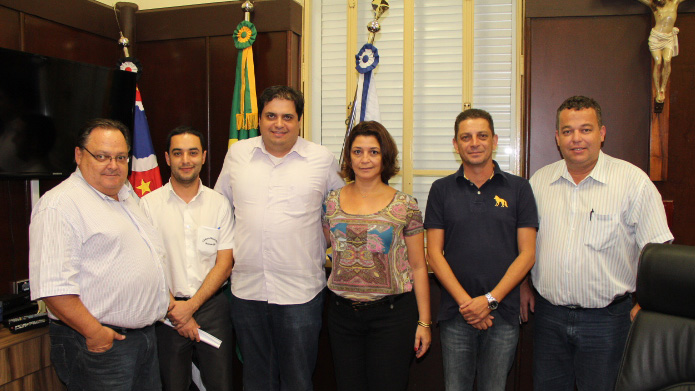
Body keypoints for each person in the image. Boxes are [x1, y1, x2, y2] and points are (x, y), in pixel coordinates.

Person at [522, 96, 673, 391]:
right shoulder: (539, 182)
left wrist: (648, 303)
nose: (576, 139)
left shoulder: (634, 183)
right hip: (549, 317)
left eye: (586, 129)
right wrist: (523, 285)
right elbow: (524, 244)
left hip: (608, 322)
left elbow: (659, 254)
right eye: (567, 131)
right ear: (557, 138)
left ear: (602, 133)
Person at [214, 85, 344, 390]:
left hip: (300, 293)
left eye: (287, 116)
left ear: (299, 120)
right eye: (271, 115)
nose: (279, 123)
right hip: (247, 290)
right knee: (256, 378)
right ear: (259, 119)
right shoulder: (237, 155)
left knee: (298, 380)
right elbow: (219, 209)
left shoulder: (321, 159)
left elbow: (340, 211)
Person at [29, 118, 169, 391]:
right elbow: (53, 287)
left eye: (120, 157)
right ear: (79, 155)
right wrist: (95, 334)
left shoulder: (126, 195)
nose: (113, 165)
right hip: (99, 344)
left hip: (144, 339)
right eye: (102, 156)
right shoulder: (60, 205)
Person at [424, 109, 538, 391]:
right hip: (456, 313)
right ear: (455, 144)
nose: (474, 143)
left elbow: (527, 254)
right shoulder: (441, 190)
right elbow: (433, 255)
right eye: (466, 137)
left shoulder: (519, 188)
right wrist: (468, 304)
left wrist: (488, 301)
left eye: (482, 135)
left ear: (495, 140)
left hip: (504, 312)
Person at [322, 121, 432, 391]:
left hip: (392, 317)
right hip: (342, 315)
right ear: (348, 156)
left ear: (385, 156)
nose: (365, 159)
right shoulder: (331, 202)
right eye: (357, 152)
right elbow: (329, 244)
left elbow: (418, 266)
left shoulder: (406, 205)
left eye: (373, 152)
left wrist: (425, 322)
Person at [140, 126, 235, 391]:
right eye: (178, 153)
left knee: (221, 384)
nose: (186, 160)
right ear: (167, 158)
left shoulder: (219, 204)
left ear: (203, 156)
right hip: (166, 311)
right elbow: (149, 266)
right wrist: (176, 310)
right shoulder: (147, 205)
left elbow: (224, 264)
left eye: (193, 153)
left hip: (212, 307)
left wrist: (191, 307)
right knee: (172, 385)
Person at [637, 0, 690, 103]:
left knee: (667, 60)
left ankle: (663, 89)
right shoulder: (654, 5)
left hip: (668, 38)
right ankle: (657, 90)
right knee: (658, 62)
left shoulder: (675, 2)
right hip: (656, 38)